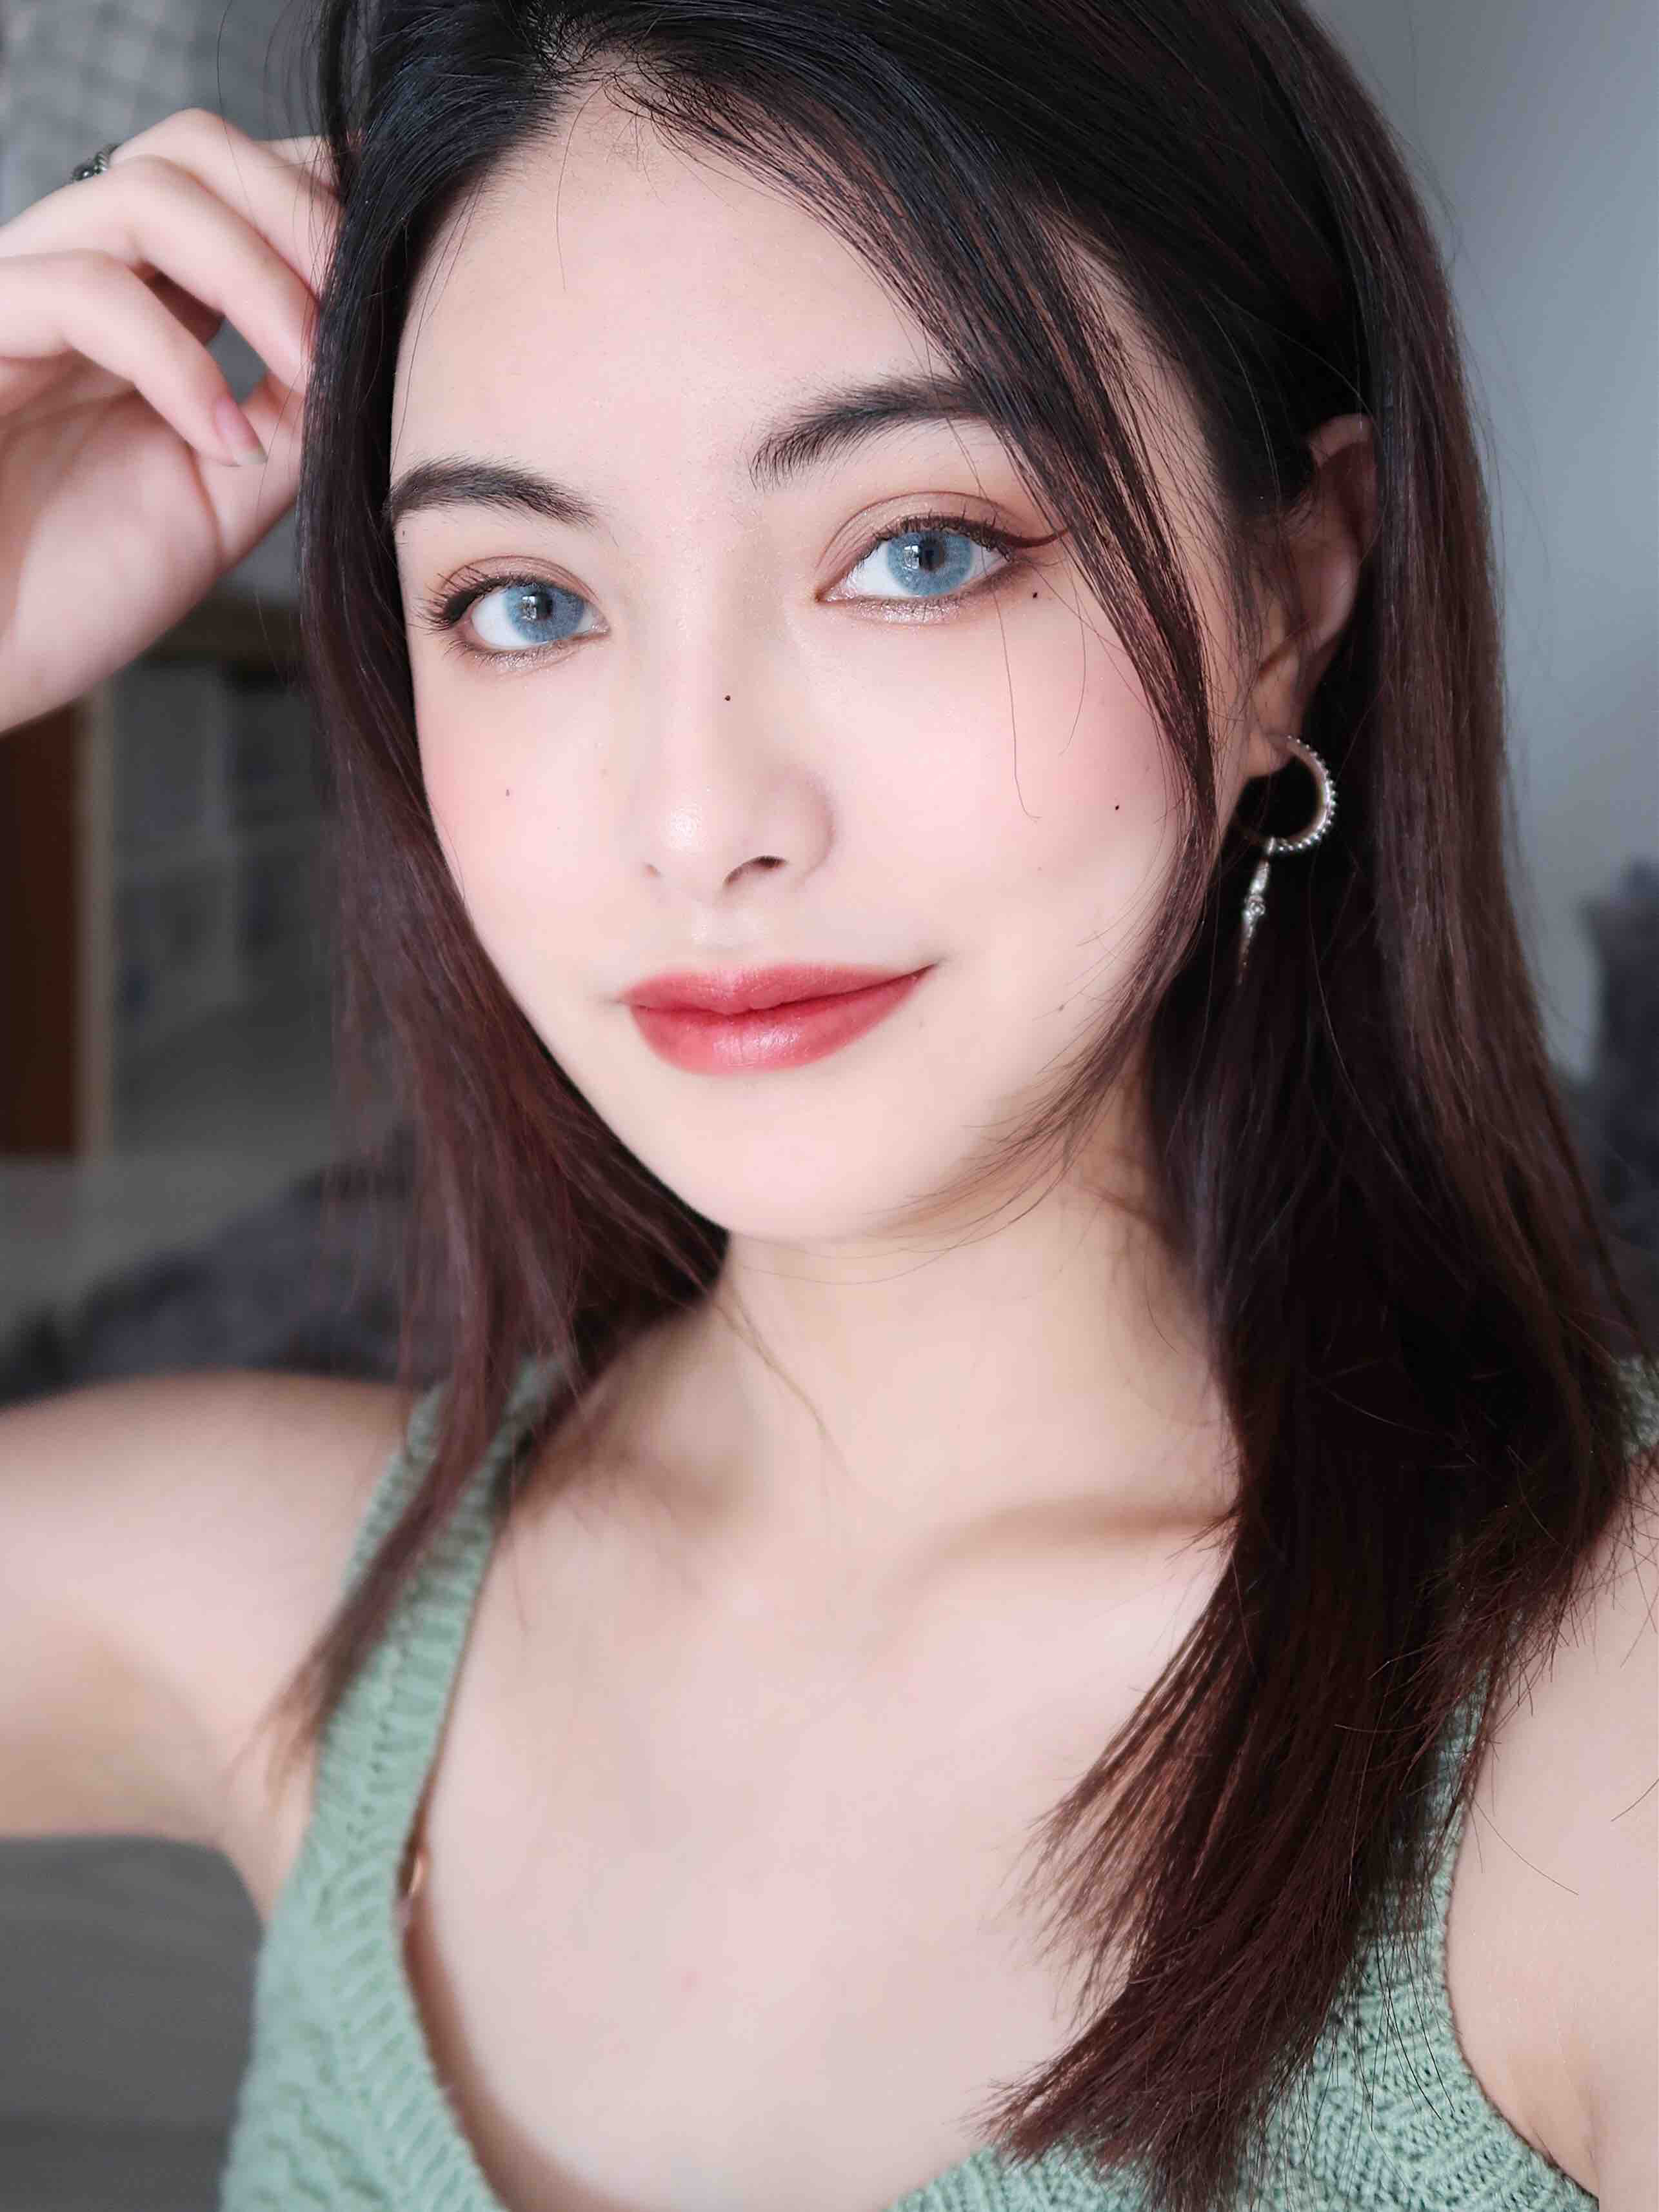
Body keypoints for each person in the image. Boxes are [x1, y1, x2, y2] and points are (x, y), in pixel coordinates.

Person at [1, 3, 1654, 2209]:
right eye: (525, 599)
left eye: (919, 549)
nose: (697, 821)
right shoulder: (299, 1603)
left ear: (1289, 592)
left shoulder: (1595, 1732)